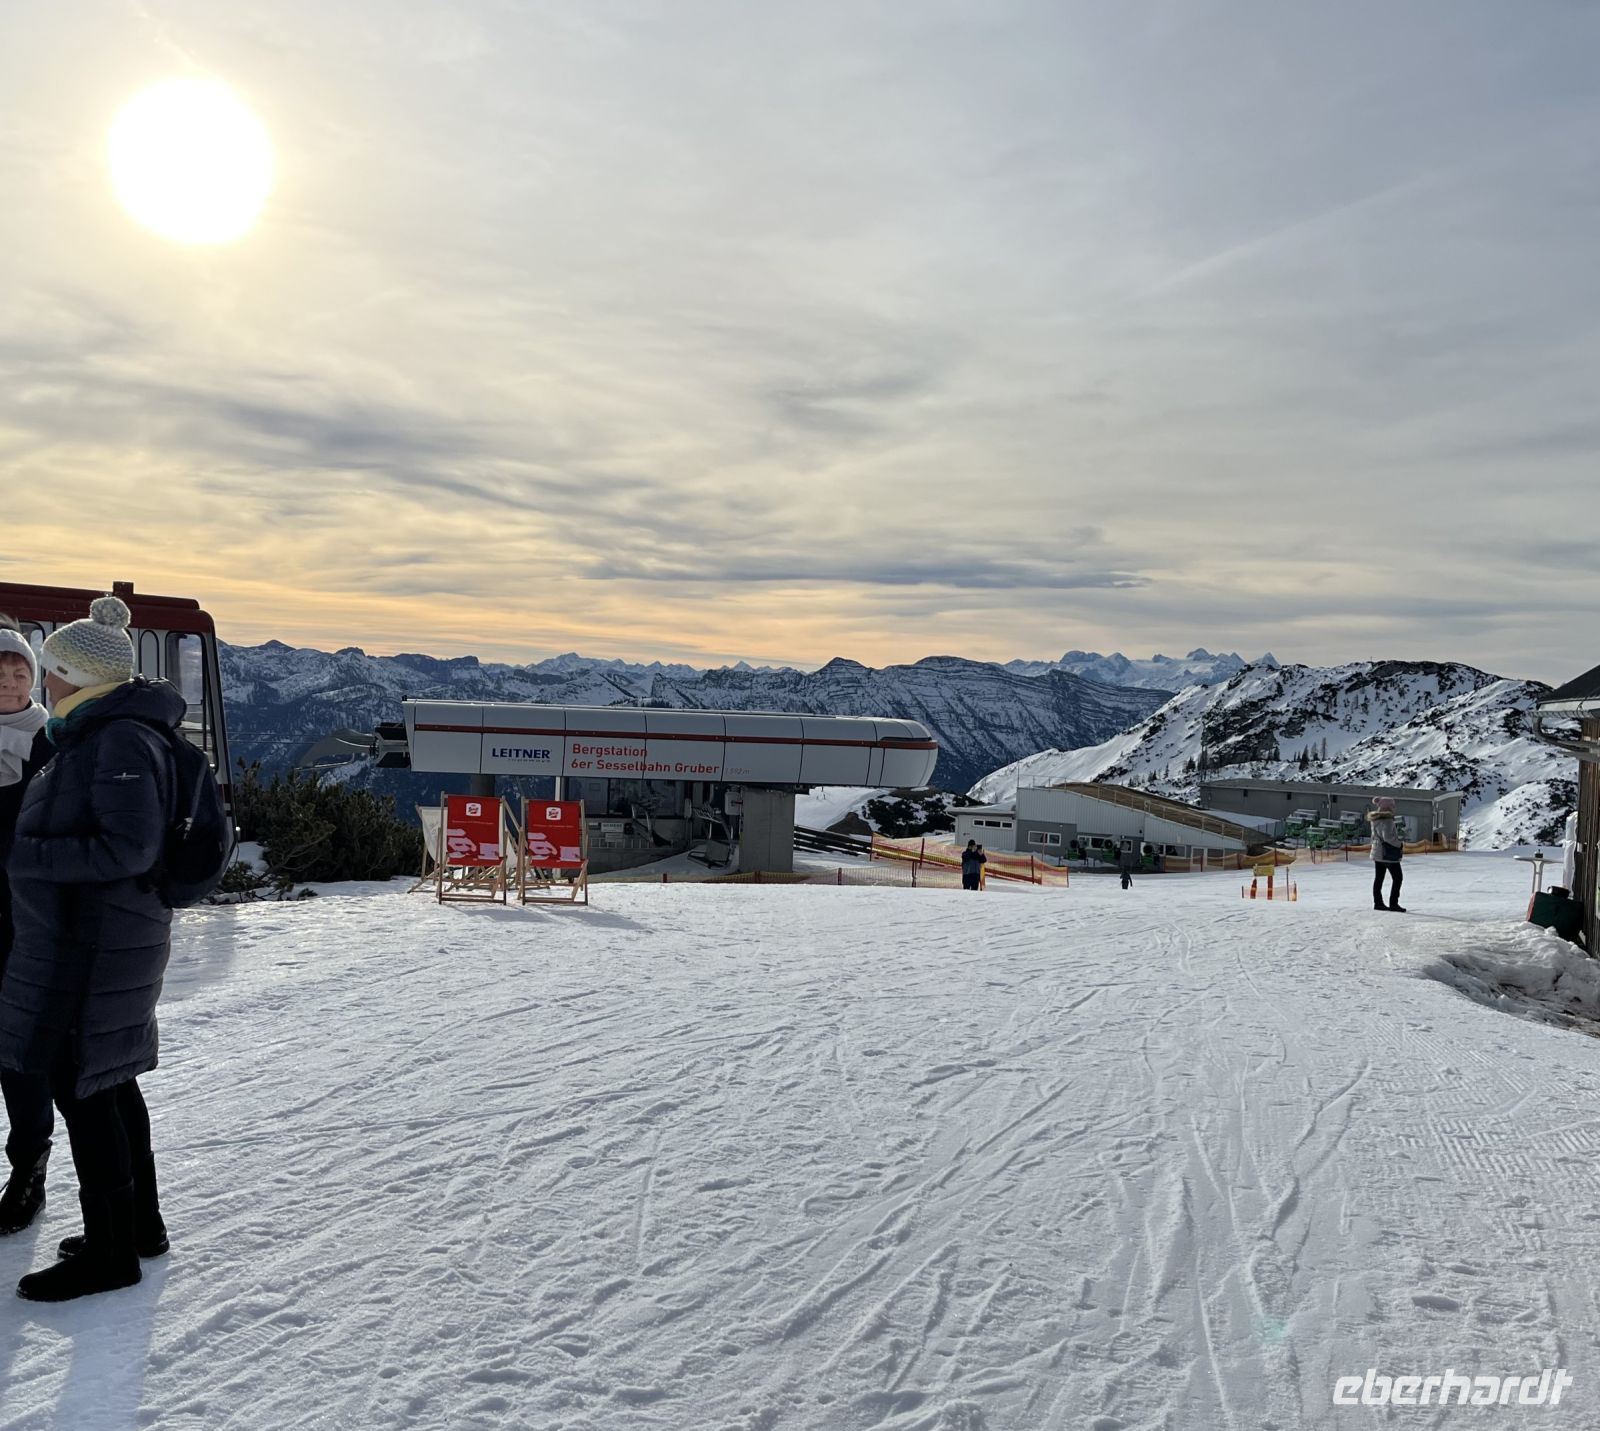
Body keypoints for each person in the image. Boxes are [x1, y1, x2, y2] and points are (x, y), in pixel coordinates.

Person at [0, 596, 180, 1301]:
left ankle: (111, 1252)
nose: (42, 683)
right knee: (110, 1079)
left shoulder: (117, 740)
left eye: (49, 672)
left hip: (99, 941)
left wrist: (28, 855)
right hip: (110, 936)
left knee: (83, 1085)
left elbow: (126, 846)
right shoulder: (110, 730)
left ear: (77, 676)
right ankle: (139, 1227)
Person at [0, 617, 54, 1235]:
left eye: (19, 670)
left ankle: (28, 1169)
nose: (10, 680)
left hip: (29, 923)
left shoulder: (51, 743)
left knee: (19, 1050)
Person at [1368, 795, 1407, 912]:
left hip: (1377, 853)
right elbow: (1388, 838)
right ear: (1388, 807)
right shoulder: (1388, 820)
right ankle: (1393, 904)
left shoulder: (1374, 819)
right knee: (1398, 878)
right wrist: (1399, 844)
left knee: (1379, 879)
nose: (1393, 809)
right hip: (1388, 854)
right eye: (1392, 806)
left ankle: (1378, 903)